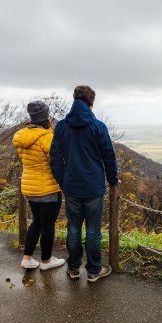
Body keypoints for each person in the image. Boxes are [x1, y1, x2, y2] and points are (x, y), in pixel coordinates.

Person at [50, 85, 118, 283]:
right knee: (93, 230)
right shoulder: (98, 127)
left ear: (74, 99)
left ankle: (73, 269)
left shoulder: (62, 127)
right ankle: (94, 271)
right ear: (91, 102)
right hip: (94, 187)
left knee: (73, 228)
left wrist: (63, 180)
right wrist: (113, 180)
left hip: (71, 187)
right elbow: (109, 157)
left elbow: (54, 158)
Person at [12, 101, 65, 270]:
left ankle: (27, 259)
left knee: (37, 222)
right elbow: (56, 161)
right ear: (46, 116)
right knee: (48, 226)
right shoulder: (47, 137)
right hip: (48, 187)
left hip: (29, 186)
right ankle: (46, 261)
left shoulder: (22, 136)